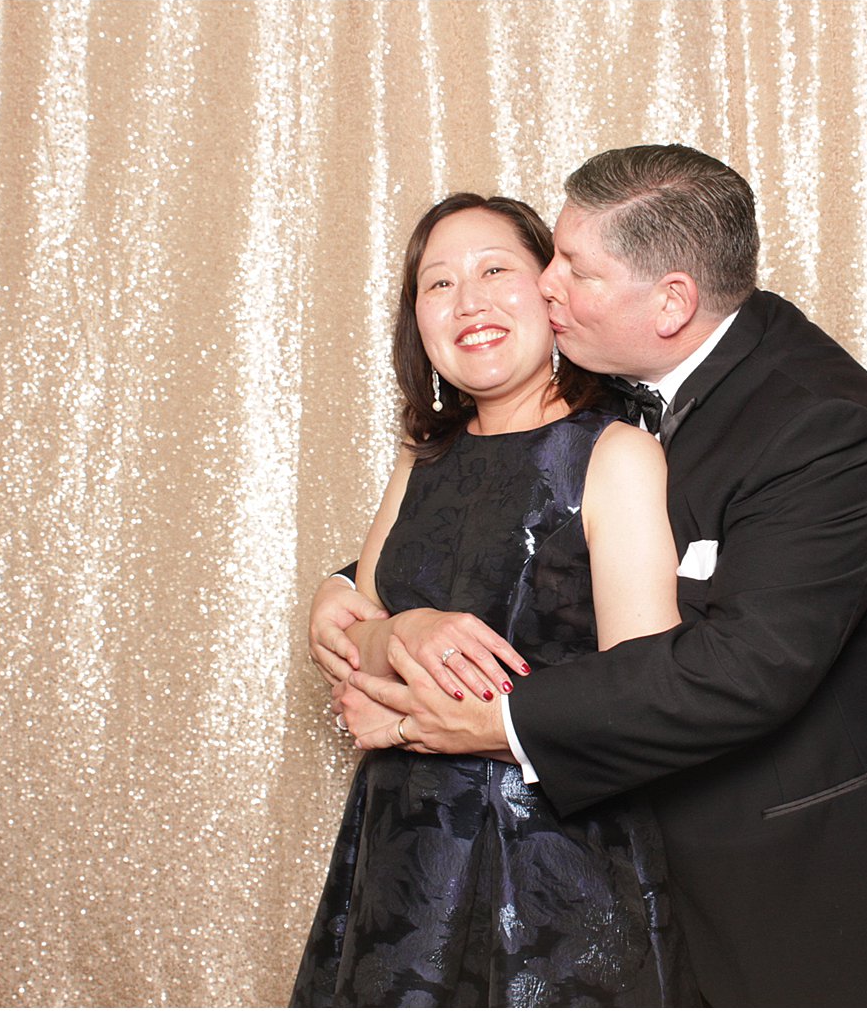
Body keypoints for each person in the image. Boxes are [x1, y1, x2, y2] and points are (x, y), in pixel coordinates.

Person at [315, 145, 867, 1006]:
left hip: (808, 908)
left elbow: (739, 668)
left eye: (573, 270)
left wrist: (480, 719)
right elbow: (524, 525)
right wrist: (361, 607)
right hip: (652, 888)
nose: (544, 286)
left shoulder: (820, 426)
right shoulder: (640, 383)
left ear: (672, 300)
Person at [291, 192, 697, 1006]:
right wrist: (402, 626)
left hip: (555, 870)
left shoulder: (615, 457)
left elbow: (642, 702)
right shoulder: (424, 460)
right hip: (402, 865)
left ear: (551, 291)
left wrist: (410, 706)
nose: (467, 301)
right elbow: (353, 638)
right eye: (438, 285)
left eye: (494, 270)